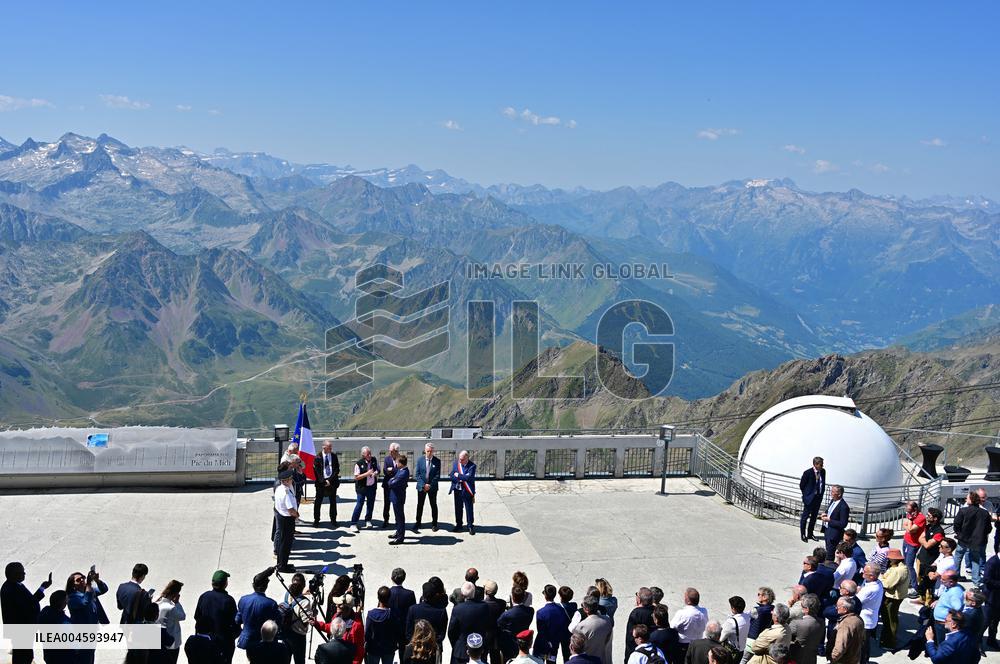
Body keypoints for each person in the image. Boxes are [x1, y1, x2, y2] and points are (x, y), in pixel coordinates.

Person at [2, 562, 52, 664]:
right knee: (23, 657)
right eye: (21, 572)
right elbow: (28, 605)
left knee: (26, 655)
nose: (24, 574)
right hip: (21, 630)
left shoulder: (16, 585)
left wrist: (42, 587)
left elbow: (30, 601)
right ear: (13, 574)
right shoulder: (10, 589)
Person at [194, 570, 240, 664]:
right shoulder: (228, 600)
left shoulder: (203, 596)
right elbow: (235, 623)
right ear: (225, 584)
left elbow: (197, 617)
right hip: (223, 644)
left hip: (205, 642)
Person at [66, 568, 110, 664]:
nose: (82, 580)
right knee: (84, 657)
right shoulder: (72, 598)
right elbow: (85, 602)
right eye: (78, 580)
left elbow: (104, 589)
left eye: (83, 578)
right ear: (73, 585)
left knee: (90, 655)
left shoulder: (89, 590)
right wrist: (89, 584)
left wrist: (97, 580)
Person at [954, 490, 993, 588]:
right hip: (977, 541)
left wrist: (959, 534)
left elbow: (956, 525)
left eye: (967, 498)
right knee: (975, 559)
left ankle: (956, 576)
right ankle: (976, 580)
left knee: (958, 557)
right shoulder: (984, 513)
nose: (965, 499)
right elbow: (989, 528)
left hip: (963, 540)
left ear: (971, 500)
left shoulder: (963, 511)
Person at [448, 582, 494, 664]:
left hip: (460, 651)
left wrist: (456, 645)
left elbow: (451, 631)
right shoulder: (484, 607)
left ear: (462, 594)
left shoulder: (458, 609)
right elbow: (489, 628)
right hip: (479, 648)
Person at [237, 570, 281, 652]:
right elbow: (278, 623)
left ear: (253, 585)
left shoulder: (243, 600)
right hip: (263, 642)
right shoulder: (271, 603)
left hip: (247, 640)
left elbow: (238, 619)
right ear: (266, 586)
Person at [878, 549, 908, 650]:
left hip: (892, 598)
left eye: (890, 558)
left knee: (890, 620)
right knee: (891, 619)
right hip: (897, 596)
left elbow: (887, 584)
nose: (889, 559)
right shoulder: (900, 567)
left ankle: (889, 642)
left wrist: (880, 578)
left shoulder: (897, 570)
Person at [916, 507, 946, 603]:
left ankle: (928, 602)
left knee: (928, 582)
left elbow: (928, 545)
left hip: (930, 560)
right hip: (921, 557)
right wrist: (925, 541)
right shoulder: (928, 527)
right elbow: (920, 538)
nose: (927, 517)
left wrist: (924, 541)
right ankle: (922, 598)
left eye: (929, 516)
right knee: (920, 578)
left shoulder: (939, 532)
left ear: (935, 518)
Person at [406, 580, 448, 648]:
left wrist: (416, 642)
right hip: (433, 648)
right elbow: (441, 635)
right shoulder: (441, 611)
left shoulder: (413, 609)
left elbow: (408, 632)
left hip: (416, 648)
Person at [854, 565, 883, 663]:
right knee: (865, 644)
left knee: (862, 646)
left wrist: (856, 592)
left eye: (865, 572)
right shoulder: (877, 583)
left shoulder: (870, 589)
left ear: (871, 576)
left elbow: (856, 601)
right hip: (871, 619)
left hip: (865, 621)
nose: (862, 573)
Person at [281, 574, 312, 664]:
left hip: (286, 631)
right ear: (303, 586)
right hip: (298, 635)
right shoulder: (304, 602)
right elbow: (306, 622)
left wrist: (302, 594)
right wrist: (312, 613)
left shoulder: (287, 594)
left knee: (286, 658)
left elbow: (293, 600)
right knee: (299, 660)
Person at [535, 584, 570, 663]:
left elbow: (540, 631)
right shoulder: (561, 610)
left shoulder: (540, 612)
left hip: (543, 645)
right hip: (554, 644)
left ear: (545, 596)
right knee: (551, 661)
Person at [499, 586, 536, 661]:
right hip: (524, 640)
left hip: (510, 642)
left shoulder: (507, 614)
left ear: (513, 597)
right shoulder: (530, 611)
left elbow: (499, 623)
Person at [671, 588, 709, 659]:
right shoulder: (704, 611)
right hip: (698, 643)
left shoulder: (682, 613)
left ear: (688, 601)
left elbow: (672, 627)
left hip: (684, 645)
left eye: (685, 597)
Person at [389, 568, 417, 662]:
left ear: (391, 578)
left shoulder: (387, 592)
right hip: (404, 629)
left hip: (390, 629)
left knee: (388, 656)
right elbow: (413, 613)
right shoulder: (410, 594)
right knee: (403, 655)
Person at [274, 469, 300, 572]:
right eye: (290, 479)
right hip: (287, 519)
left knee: (283, 541)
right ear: (285, 481)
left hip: (281, 517)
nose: (291, 480)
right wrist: (297, 515)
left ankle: (281, 563)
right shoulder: (286, 493)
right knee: (286, 544)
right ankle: (282, 567)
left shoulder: (280, 489)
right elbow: (290, 509)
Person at [38, 590, 74, 664]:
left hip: (49, 655)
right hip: (64, 657)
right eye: (66, 600)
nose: (67, 602)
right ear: (62, 603)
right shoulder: (64, 621)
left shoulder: (45, 612)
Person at [156, 579, 187, 664]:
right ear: (176, 593)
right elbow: (183, 616)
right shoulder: (171, 608)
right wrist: (177, 603)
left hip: (158, 641)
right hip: (171, 644)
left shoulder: (157, 602)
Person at [576, 595, 613, 664]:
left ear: (586, 609)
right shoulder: (607, 620)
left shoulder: (581, 626)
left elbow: (578, 647)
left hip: (588, 660)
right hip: (604, 659)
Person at [787, 594, 822, 664]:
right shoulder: (821, 622)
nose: (801, 607)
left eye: (802, 606)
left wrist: (789, 607)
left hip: (797, 658)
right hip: (811, 658)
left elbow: (785, 634)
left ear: (807, 609)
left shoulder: (797, 624)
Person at [365, 586, 396, 664]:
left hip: (373, 648)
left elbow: (367, 633)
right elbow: (396, 632)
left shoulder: (371, 614)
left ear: (378, 597)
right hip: (388, 648)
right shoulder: (392, 614)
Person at [415, 442, 442, 532]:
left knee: (433, 505)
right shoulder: (420, 460)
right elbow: (417, 475)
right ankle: (418, 522)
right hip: (421, 487)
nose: (429, 453)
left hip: (432, 487)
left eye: (431, 451)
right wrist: (423, 485)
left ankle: (434, 524)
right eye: (427, 451)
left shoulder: (437, 461)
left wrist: (430, 485)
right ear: (425, 451)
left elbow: (437, 476)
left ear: (433, 451)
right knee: (420, 505)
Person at [902, 501, 926, 598]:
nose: (908, 512)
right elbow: (905, 525)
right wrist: (909, 525)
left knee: (909, 565)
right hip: (906, 541)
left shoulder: (921, 518)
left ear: (915, 509)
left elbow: (911, 530)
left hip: (913, 544)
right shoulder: (910, 515)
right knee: (906, 563)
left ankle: (915, 587)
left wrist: (910, 522)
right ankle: (909, 582)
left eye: (910, 510)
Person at [352, 446, 380, 532]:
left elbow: (378, 470)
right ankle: (353, 523)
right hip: (362, 488)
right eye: (368, 454)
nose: (370, 455)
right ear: (363, 455)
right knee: (359, 505)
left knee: (370, 504)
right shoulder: (359, 463)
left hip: (372, 487)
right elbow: (356, 477)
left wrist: (375, 473)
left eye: (370, 453)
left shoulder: (374, 460)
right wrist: (367, 474)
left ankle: (368, 520)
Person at [624, 587, 655, 663]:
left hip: (637, 651)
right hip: (652, 649)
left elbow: (630, 638)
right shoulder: (655, 611)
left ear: (639, 599)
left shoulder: (636, 613)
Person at [799, 457, 826, 543]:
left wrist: (821, 494)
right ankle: (803, 534)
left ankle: (810, 534)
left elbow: (822, 483)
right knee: (805, 517)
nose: (822, 466)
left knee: (814, 517)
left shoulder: (823, 471)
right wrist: (806, 495)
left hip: (818, 498)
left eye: (822, 464)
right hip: (809, 499)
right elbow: (802, 485)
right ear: (815, 464)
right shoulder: (808, 473)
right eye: (820, 464)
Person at [450, 450, 477, 534]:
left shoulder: (472, 466)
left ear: (467, 458)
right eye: (459, 459)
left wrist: (458, 475)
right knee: (458, 508)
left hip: (467, 490)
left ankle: (470, 526)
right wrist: (460, 478)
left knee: (469, 509)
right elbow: (451, 475)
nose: (460, 461)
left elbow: (468, 478)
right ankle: (459, 524)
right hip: (457, 490)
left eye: (462, 459)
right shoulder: (456, 463)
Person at [314, 441, 341, 527]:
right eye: (329, 447)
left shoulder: (333, 456)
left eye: (331, 447)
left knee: (333, 501)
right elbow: (317, 471)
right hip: (321, 483)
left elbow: (337, 469)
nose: (330, 449)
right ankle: (316, 520)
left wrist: (330, 480)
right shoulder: (318, 457)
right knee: (318, 502)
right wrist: (323, 481)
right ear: (324, 447)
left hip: (332, 482)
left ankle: (333, 519)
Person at [828, 597, 863, 664]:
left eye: (838, 606)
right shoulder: (859, 619)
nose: (836, 608)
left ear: (845, 609)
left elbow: (840, 647)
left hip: (843, 660)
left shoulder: (845, 625)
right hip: (854, 658)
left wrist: (833, 658)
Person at [820, 485, 849, 561]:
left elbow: (843, 524)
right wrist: (825, 514)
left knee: (830, 554)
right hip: (827, 530)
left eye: (833, 492)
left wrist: (829, 520)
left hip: (834, 534)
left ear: (839, 494)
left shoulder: (844, 507)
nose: (831, 493)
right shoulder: (833, 501)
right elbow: (830, 511)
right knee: (828, 550)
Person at [388, 454, 411, 544]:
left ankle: (400, 538)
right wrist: (392, 479)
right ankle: (398, 532)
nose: (396, 464)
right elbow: (393, 479)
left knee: (400, 517)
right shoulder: (400, 470)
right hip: (395, 497)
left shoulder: (403, 473)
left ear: (401, 463)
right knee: (397, 517)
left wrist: (391, 480)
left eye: (397, 462)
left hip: (398, 498)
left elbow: (391, 483)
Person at [382, 443, 402, 528]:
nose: (390, 453)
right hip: (388, 485)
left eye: (392, 451)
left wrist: (392, 470)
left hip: (398, 485)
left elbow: (401, 471)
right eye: (389, 451)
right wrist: (393, 470)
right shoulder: (387, 459)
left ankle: (398, 521)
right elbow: (385, 471)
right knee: (387, 504)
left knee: (397, 504)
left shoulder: (401, 459)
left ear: (396, 451)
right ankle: (386, 520)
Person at [984, 549, 1000, 648]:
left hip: (998, 598)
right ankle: (977, 643)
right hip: (991, 598)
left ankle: (991, 640)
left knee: (995, 621)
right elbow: (986, 579)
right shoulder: (992, 562)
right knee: (986, 621)